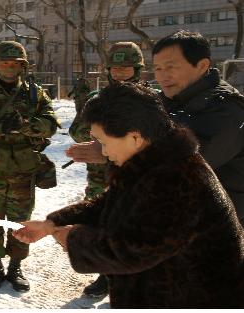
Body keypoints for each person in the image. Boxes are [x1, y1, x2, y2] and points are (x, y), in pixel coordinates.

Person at [14, 82, 244, 308]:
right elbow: (108, 204)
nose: (102, 151)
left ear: (134, 137)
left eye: (103, 142)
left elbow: (132, 250)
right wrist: (51, 223)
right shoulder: (151, 162)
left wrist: (74, 239)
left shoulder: (175, 178)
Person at [66, 31, 244, 227]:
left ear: (202, 66)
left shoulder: (226, 110)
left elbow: (177, 163)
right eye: (157, 68)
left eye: (170, 67)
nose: (162, 76)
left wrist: (109, 151)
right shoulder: (169, 101)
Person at [0, 41, 59, 292]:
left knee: (20, 222)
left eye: (14, 63)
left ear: (22, 67)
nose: (8, 67)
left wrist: (26, 125)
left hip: (23, 171)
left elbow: (51, 124)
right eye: (4, 63)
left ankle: (16, 267)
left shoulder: (36, 94)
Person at [68, 41, 147, 297]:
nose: (121, 72)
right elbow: (77, 130)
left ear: (137, 69)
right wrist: (104, 134)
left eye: (126, 67)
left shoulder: (152, 101)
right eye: (116, 67)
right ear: (108, 70)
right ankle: (106, 276)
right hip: (102, 178)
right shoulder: (97, 100)